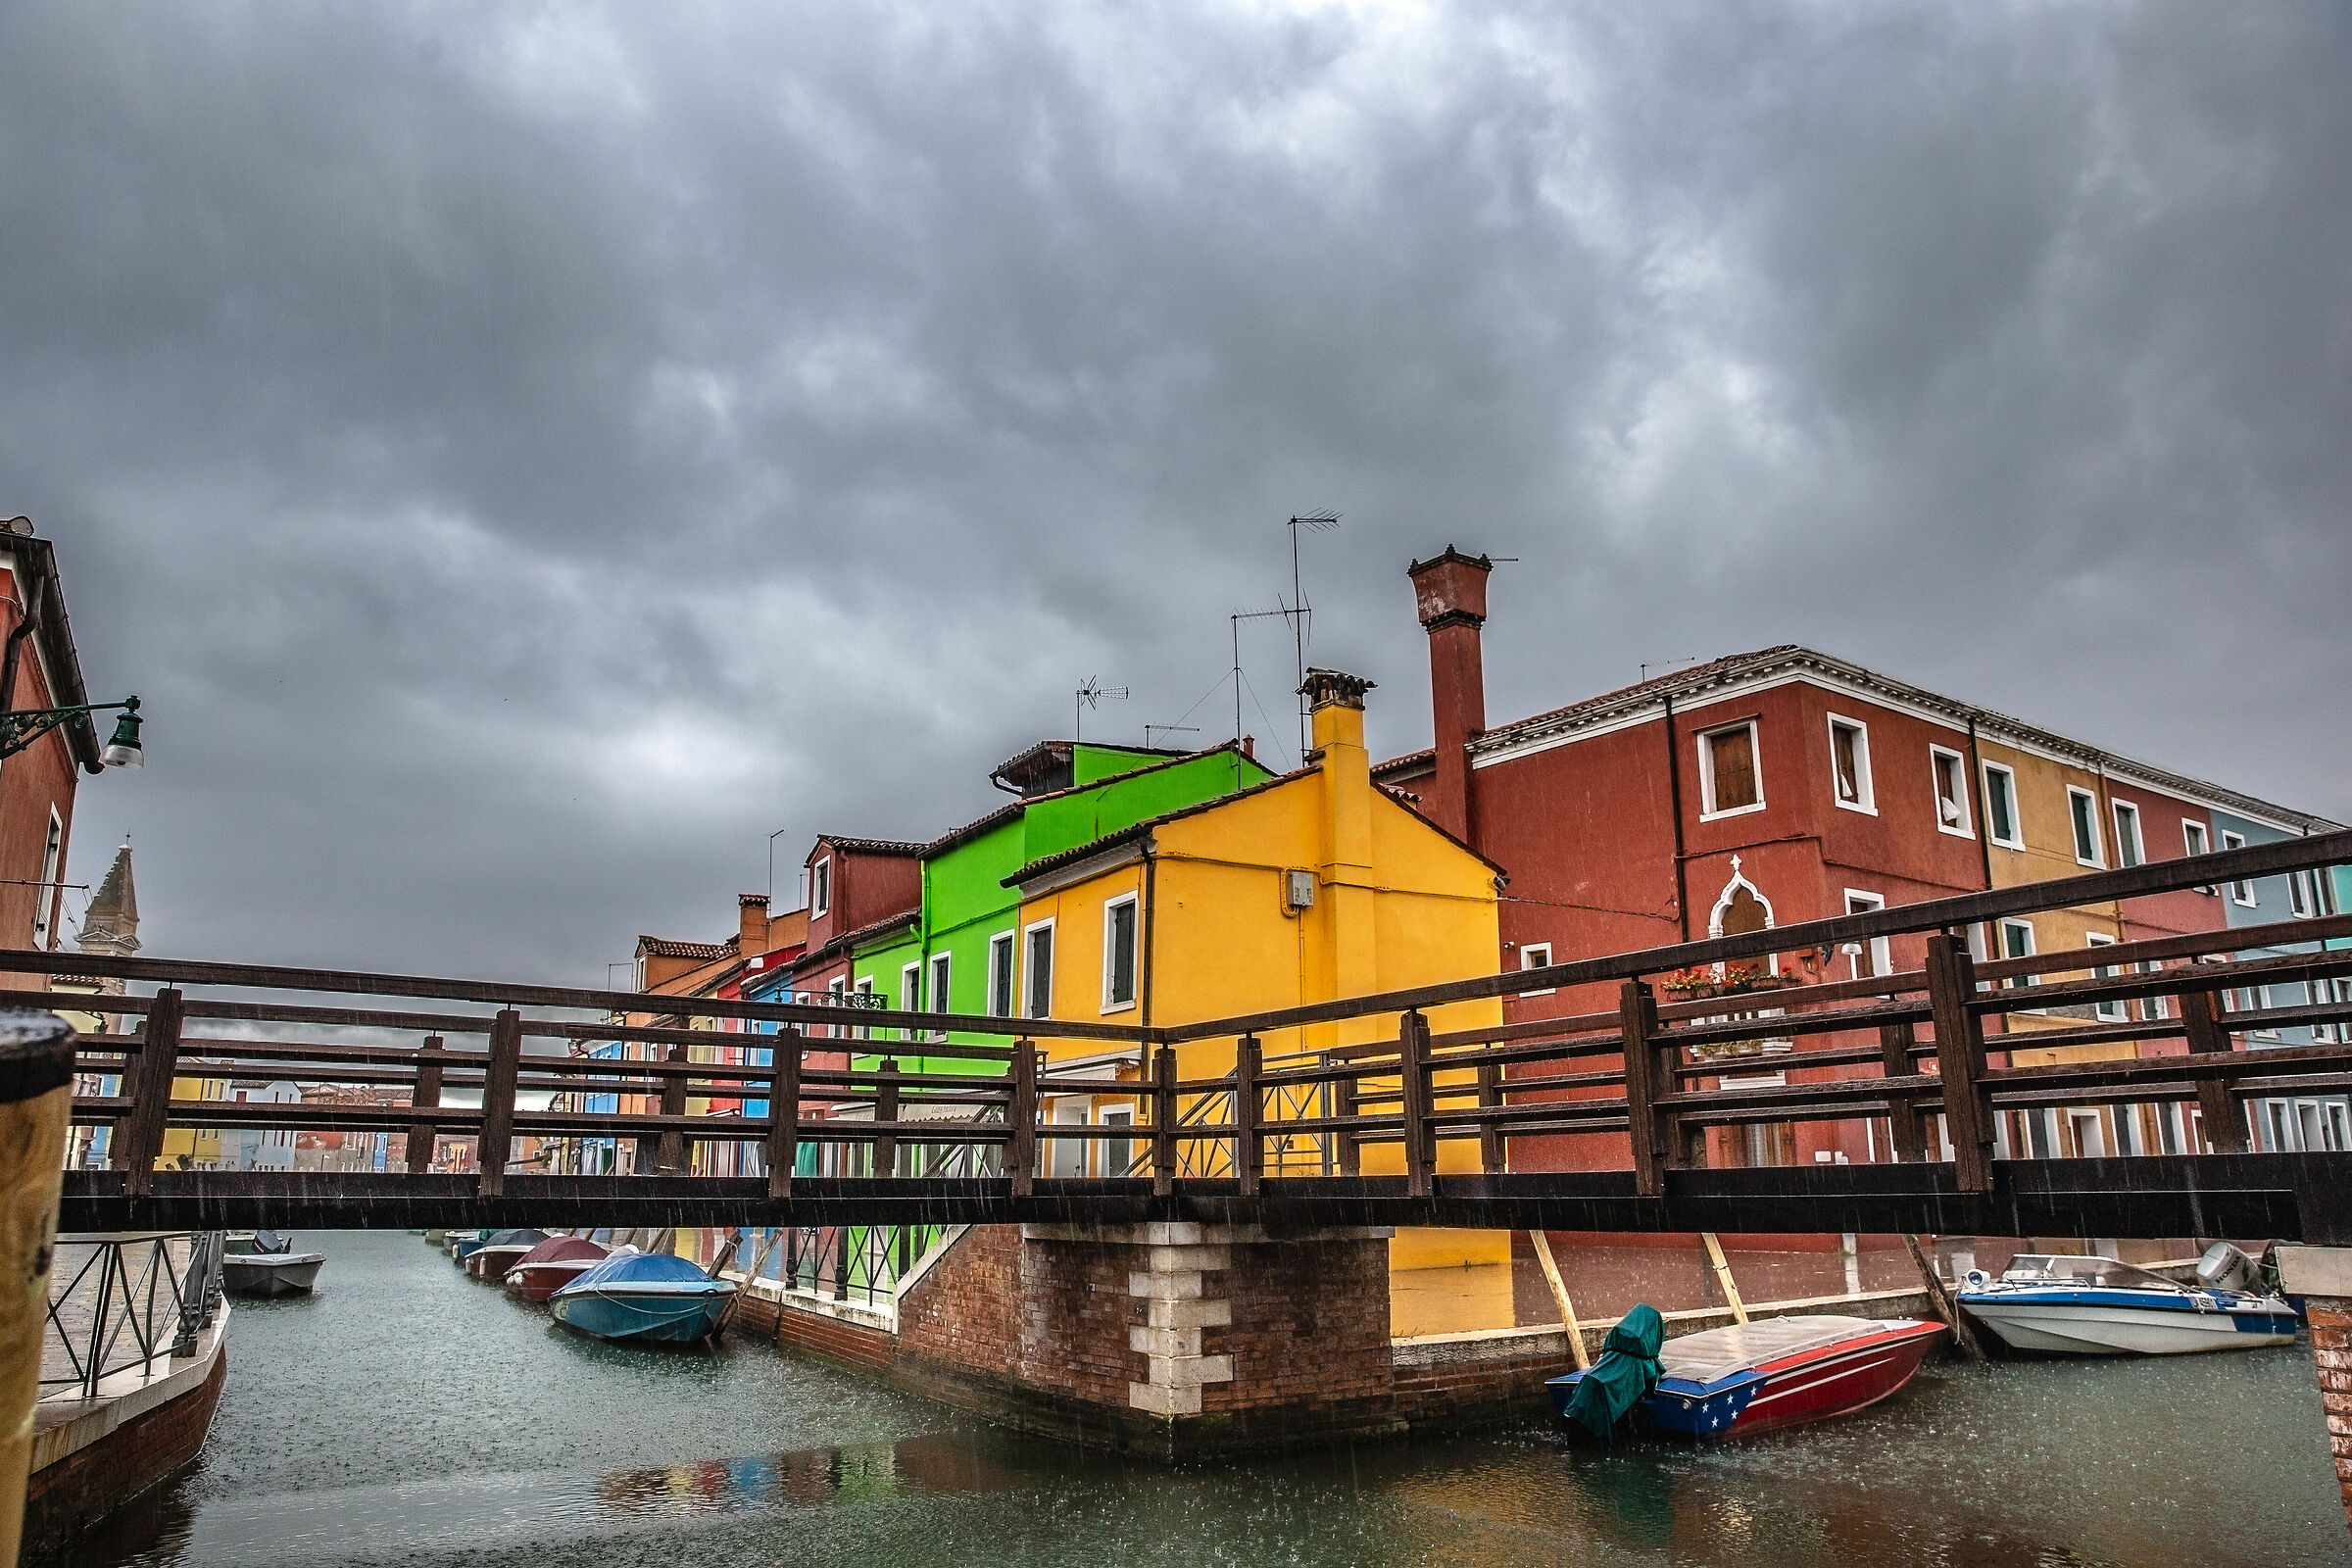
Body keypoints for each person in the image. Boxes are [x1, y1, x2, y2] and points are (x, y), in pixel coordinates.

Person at [1563, 1302, 1665, 1444]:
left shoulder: (1611, 1353)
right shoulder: (1643, 1362)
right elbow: (1650, 1383)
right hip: (1601, 1414)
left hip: (1579, 1407)